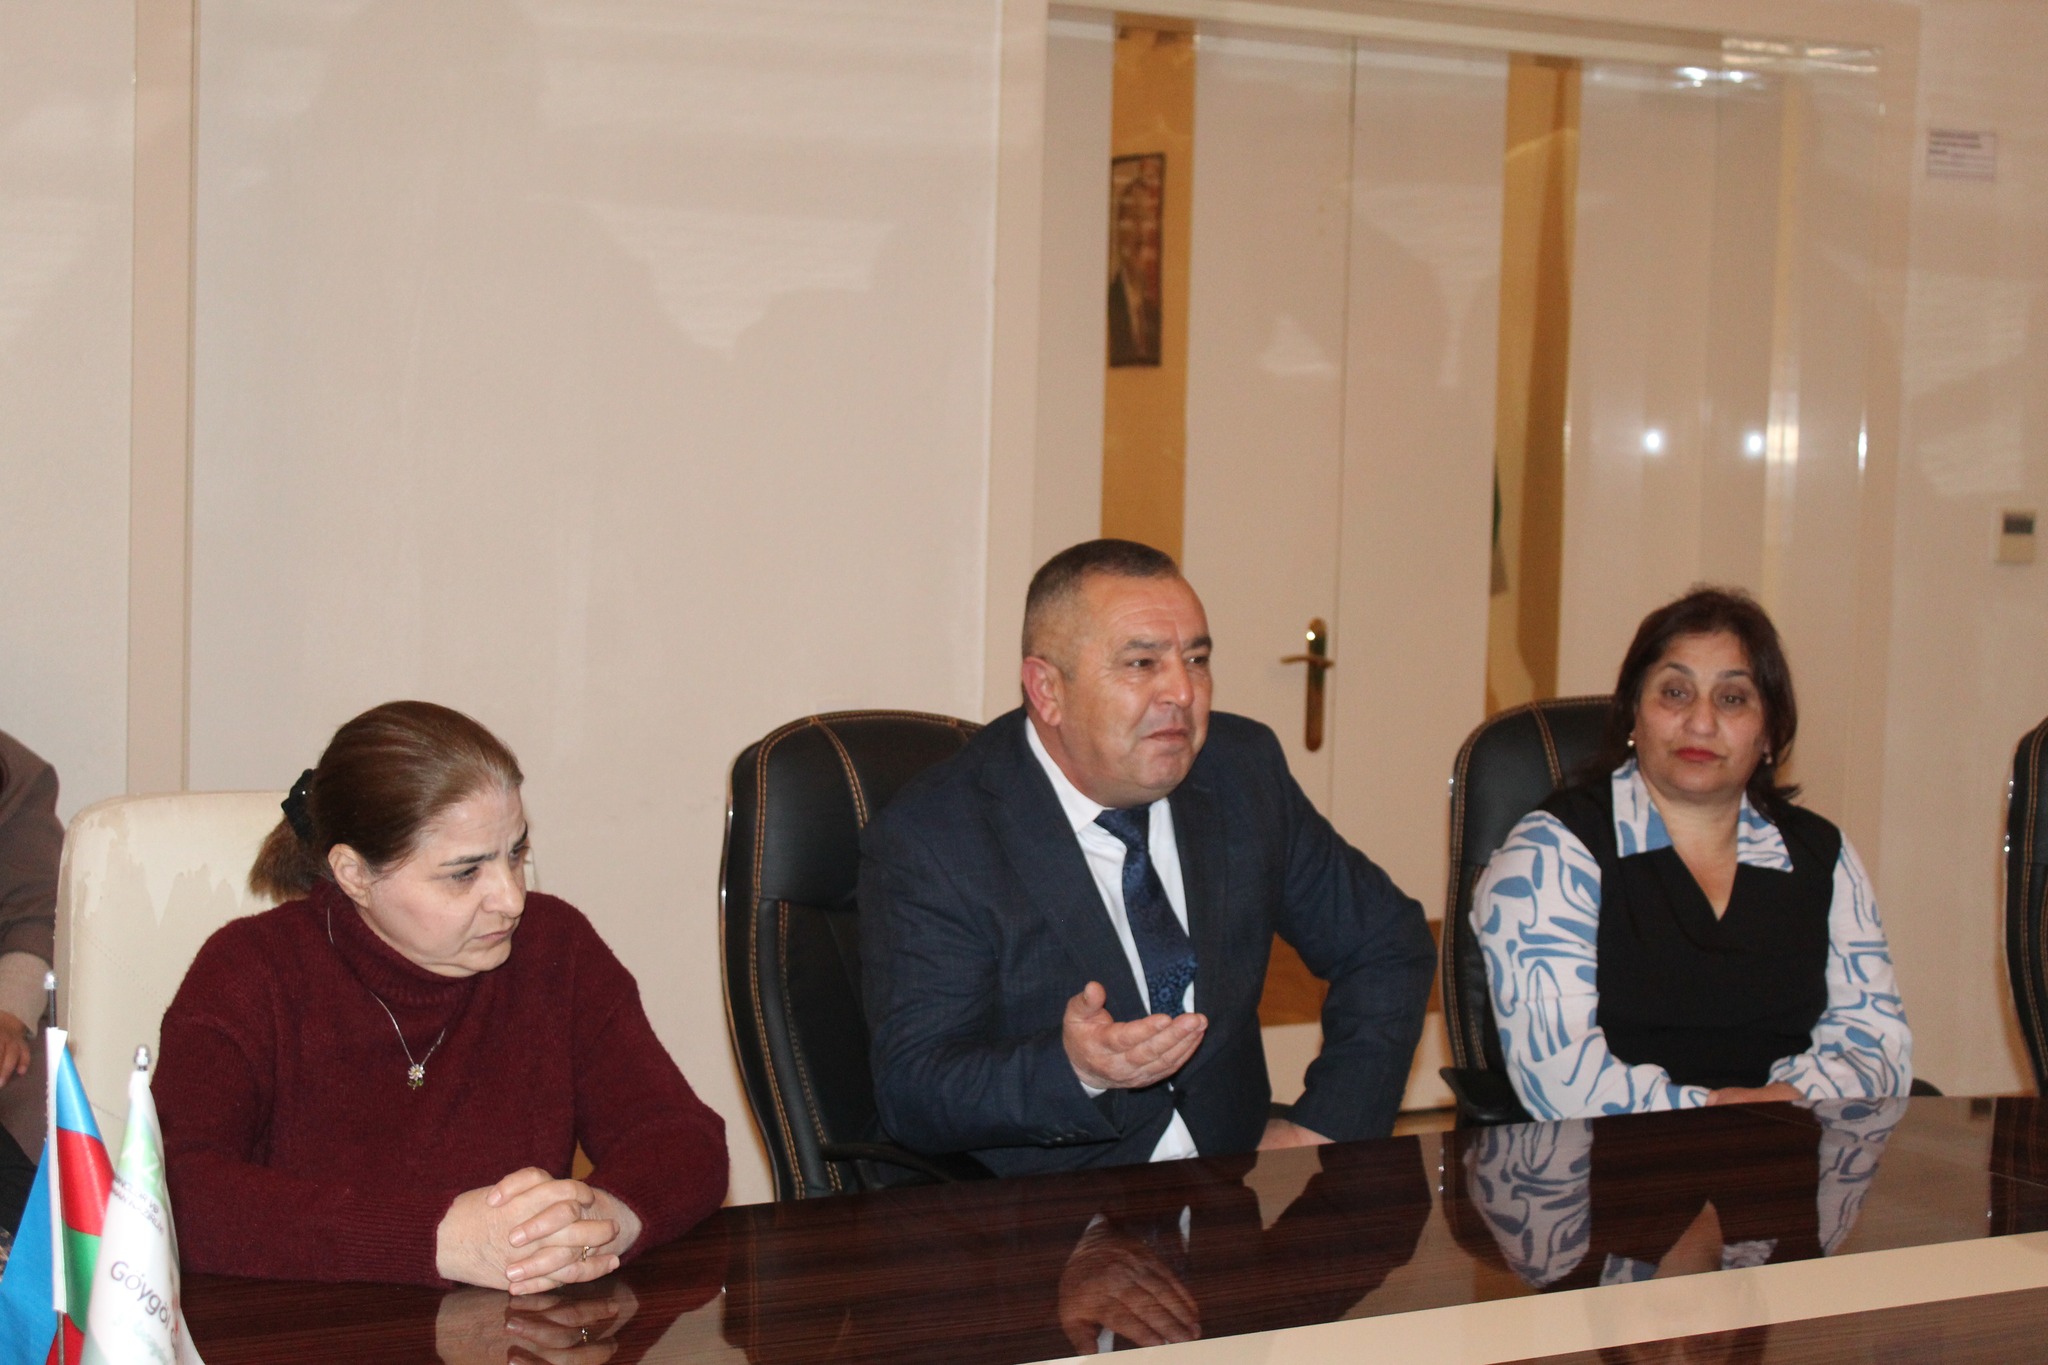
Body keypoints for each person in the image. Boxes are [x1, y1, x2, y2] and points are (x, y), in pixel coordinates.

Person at [858, 538, 1436, 1176]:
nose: (1183, 692)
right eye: (1141, 663)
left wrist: (1326, 1126)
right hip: (1042, 1208)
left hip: (1231, 1191)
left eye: (1197, 659)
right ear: (1047, 690)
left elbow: (1386, 942)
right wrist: (1076, 1069)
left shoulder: (1241, 772)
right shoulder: (936, 837)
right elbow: (915, 1088)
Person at [155, 701, 727, 1291]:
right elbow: (177, 1194)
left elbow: (684, 1139)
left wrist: (603, 1219)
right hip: (306, 1327)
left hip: (516, 1330)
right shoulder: (249, 971)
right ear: (354, 874)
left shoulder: (556, 947)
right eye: (464, 873)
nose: (511, 899)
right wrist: (437, 1239)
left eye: (516, 854)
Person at [1474, 587, 1912, 1120]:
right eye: (1675, 693)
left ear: (1769, 732)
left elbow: (1877, 1047)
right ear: (1633, 715)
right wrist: (1719, 1114)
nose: (1701, 722)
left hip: (1787, 1147)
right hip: (1606, 1157)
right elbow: (1560, 1076)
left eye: (1733, 699)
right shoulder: (1551, 851)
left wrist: (1786, 1101)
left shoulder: (1823, 856)